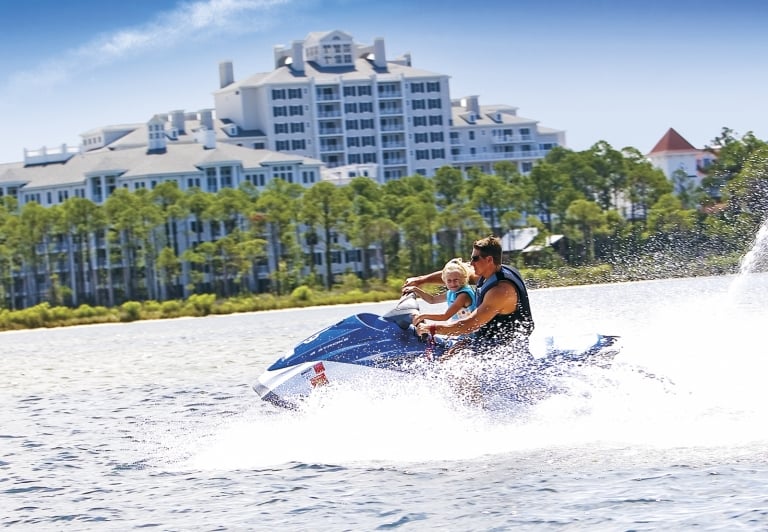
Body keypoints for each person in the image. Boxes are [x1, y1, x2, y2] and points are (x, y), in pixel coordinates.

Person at [403, 235, 534, 358]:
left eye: (475, 258)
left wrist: (431, 328)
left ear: (489, 260)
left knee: (448, 366)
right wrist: (421, 280)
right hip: (483, 340)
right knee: (447, 356)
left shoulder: (500, 291)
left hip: (504, 351)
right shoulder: (490, 272)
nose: (471, 263)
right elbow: (456, 274)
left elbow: (469, 325)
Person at [403, 258, 477, 324]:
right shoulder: (451, 293)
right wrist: (416, 290)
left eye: (456, 280)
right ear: (444, 281)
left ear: (464, 279)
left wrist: (423, 316)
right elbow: (432, 300)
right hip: (459, 330)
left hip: (469, 335)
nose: (453, 283)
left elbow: (445, 316)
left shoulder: (463, 295)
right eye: (449, 281)